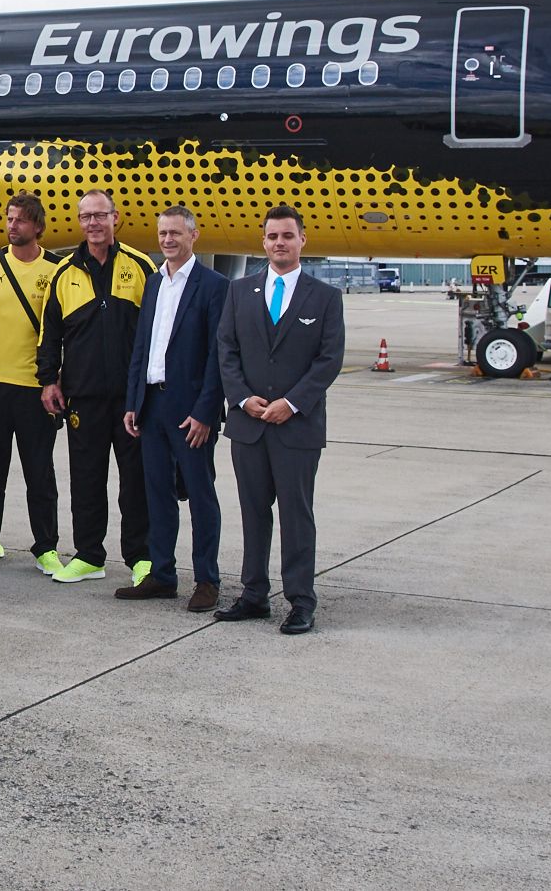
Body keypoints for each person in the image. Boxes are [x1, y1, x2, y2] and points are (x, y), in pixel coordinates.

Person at [213, 204, 343, 636]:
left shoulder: (324, 297)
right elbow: (226, 351)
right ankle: (253, 595)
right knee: (253, 513)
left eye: (287, 236)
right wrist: (242, 397)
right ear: (263, 241)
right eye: (272, 237)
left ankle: (301, 600)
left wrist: (292, 403)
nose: (279, 243)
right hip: (249, 425)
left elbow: (328, 360)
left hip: (296, 427)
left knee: (296, 514)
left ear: (302, 240)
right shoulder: (240, 291)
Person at [37, 191, 156, 586]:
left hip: (130, 398)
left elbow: (158, 331)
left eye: (100, 215)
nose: (93, 223)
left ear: (115, 218)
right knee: (86, 479)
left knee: (135, 480)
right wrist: (48, 380)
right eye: (85, 217)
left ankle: (141, 556)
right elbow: (49, 333)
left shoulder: (140, 266)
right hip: (81, 396)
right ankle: (89, 555)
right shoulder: (64, 272)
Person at [120, 206, 228, 609]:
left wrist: (205, 412)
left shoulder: (213, 286)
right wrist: (134, 402)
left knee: (200, 495)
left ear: (193, 236)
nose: (167, 240)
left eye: (175, 233)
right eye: (163, 233)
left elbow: (218, 358)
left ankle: (207, 580)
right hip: (152, 405)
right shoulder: (153, 283)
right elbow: (142, 348)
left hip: (190, 411)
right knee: (156, 495)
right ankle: (162, 573)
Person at [0, 193, 63, 574]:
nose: (12, 225)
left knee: (40, 472)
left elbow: (64, 327)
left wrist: (58, 376)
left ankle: (46, 547)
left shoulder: (57, 268)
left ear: (37, 226)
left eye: (20, 220)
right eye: (9, 218)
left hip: (36, 387)